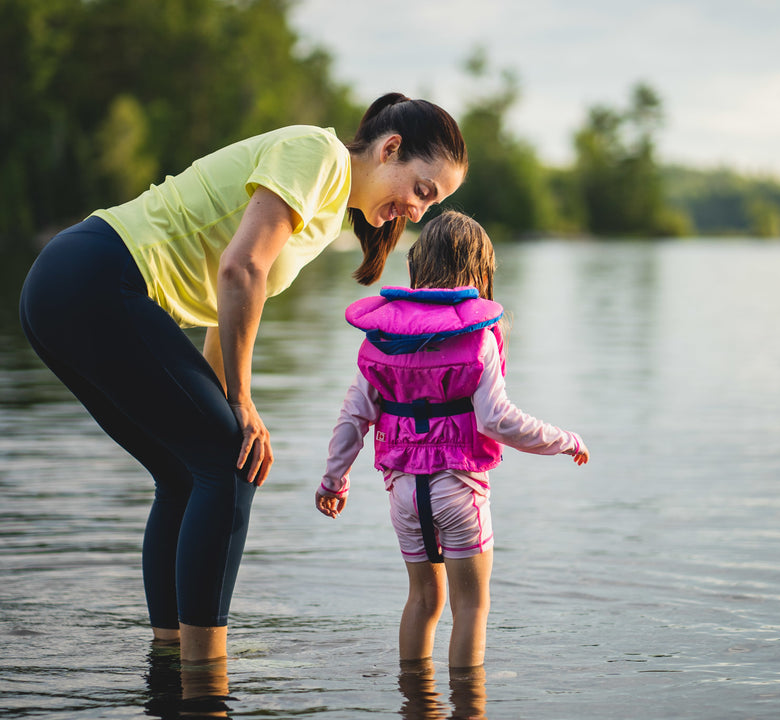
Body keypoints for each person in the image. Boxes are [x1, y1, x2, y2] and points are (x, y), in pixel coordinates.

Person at [18, 92, 467, 662]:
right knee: (232, 459)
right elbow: (241, 268)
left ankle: (172, 661)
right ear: (391, 149)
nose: (418, 211)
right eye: (422, 191)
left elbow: (222, 305)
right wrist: (241, 403)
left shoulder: (329, 212)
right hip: (93, 278)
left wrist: (219, 402)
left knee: (191, 469)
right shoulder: (319, 156)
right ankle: (207, 676)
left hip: (69, 291)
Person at [315, 211, 589, 669]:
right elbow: (498, 421)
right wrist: (564, 440)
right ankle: (468, 702)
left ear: (417, 267)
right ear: (480, 273)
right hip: (459, 488)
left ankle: (414, 700)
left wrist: (333, 481)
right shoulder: (479, 336)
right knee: (471, 608)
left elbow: (354, 416)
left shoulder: (382, 338)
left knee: (422, 601)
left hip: (403, 490)